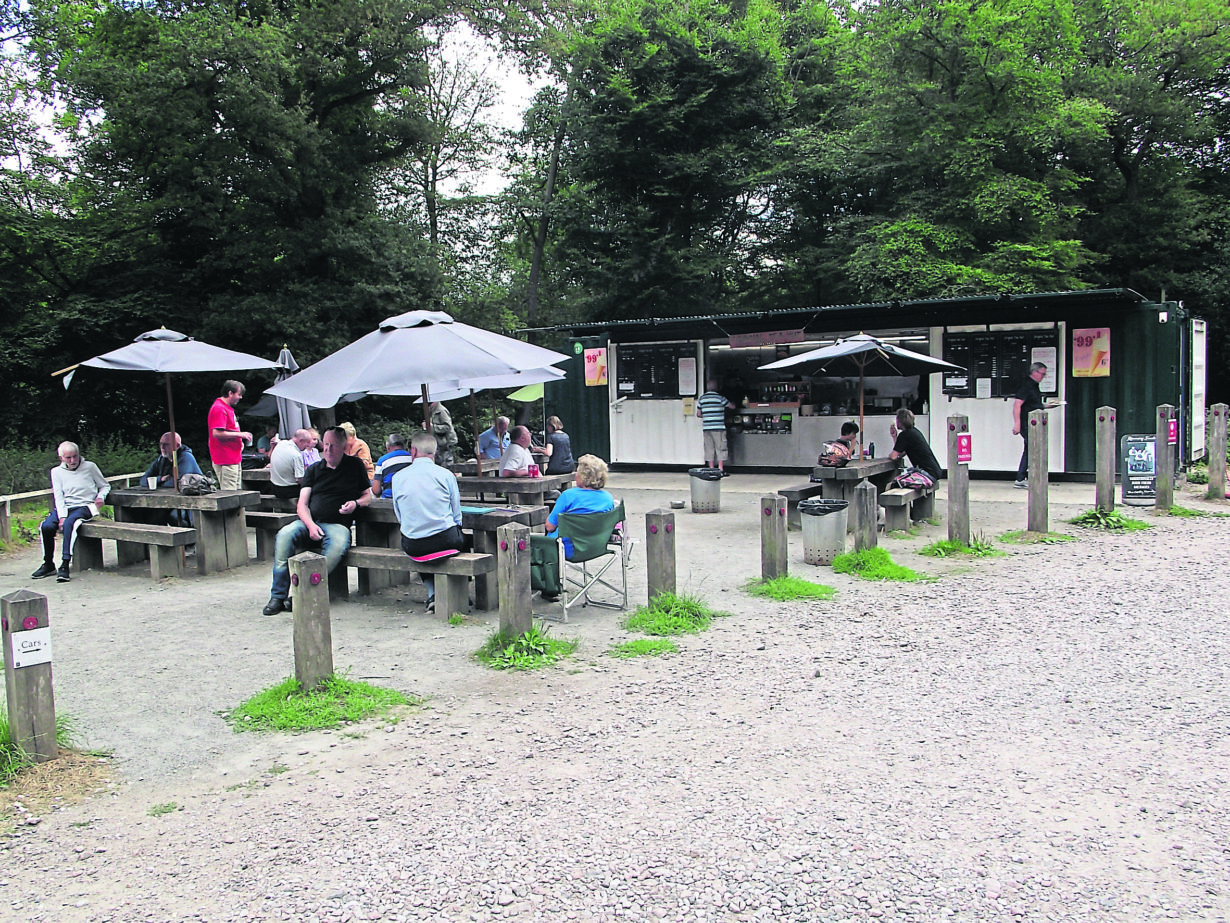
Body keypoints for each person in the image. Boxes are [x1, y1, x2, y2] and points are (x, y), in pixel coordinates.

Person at [262, 426, 372, 616]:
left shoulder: (355, 466)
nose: (328, 450)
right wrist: (311, 525)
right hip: (311, 521)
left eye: (334, 446)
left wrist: (355, 504)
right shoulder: (314, 469)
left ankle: (301, 593)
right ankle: (277, 596)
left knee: (337, 546)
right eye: (326, 445)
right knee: (284, 535)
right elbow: (302, 505)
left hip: (338, 525)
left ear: (344, 446)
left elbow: (367, 496)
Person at [392, 431, 467, 614]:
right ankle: (461, 593)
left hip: (413, 545)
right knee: (467, 540)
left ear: (414, 451)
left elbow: (399, 515)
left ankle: (433, 593)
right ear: (434, 452)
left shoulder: (398, 478)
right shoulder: (446, 475)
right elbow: (457, 515)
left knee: (422, 542)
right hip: (447, 541)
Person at [533, 454, 616, 601]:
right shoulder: (608, 498)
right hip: (596, 546)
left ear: (584, 476)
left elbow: (549, 526)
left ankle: (549, 588)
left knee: (535, 543)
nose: (575, 474)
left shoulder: (568, 496)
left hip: (567, 548)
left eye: (577, 471)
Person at [33, 442, 110, 582]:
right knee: (46, 526)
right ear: (61, 458)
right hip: (66, 506)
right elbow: (58, 496)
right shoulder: (56, 472)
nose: (73, 461)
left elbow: (104, 485)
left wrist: (100, 497)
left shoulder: (90, 467)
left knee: (70, 524)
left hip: (85, 506)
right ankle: (48, 563)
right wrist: (61, 516)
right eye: (68, 458)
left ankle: (65, 564)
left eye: (75, 456)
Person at [140, 432, 203, 526]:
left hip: (188, 502)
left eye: (166, 444)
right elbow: (143, 480)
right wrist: (160, 479)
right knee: (151, 515)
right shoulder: (161, 459)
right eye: (161, 444)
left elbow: (180, 483)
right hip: (167, 500)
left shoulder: (186, 457)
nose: (162, 447)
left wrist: (160, 483)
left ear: (177, 445)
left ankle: (189, 539)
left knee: (175, 517)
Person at [1012, 362, 1057, 488]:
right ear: (1035, 372)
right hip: (1027, 422)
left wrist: (1049, 405)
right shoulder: (1027, 385)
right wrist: (1017, 424)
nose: (1043, 377)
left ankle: (1022, 477)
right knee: (1032, 448)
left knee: (1030, 448)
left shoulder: (1034, 386)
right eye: (1042, 374)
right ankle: (1021, 478)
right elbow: (1017, 404)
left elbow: (1032, 404)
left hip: (1033, 421)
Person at [208, 380, 252, 491]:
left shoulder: (227, 408)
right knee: (230, 494)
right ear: (230, 393)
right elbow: (216, 433)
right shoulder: (219, 408)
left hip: (234, 457)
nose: (240, 397)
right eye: (239, 394)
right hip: (225, 459)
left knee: (237, 493)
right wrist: (240, 435)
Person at [889, 408, 942, 483]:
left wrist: (890, 455)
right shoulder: (914, 432)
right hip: (934, 473)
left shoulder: (905, 435)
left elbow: (893, 456)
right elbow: (901, 453)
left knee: (895, 482)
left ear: (900, 421)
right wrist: (894, 436)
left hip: (927, 475)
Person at [696, 379, 734, 474]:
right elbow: (732, 407)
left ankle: (711, 468)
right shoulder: (720, 398)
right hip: (719, 427)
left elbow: (698, 414)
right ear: (717, 387)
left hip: (707, 428)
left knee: (709, 448)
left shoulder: (702, 398)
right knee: (720, 447)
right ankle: (720, 468)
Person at [268, 428, 314, 499]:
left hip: (274, 488)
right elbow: (300, 480)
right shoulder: (296, 455)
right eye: (307, 443)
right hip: (287, 490)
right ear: (301, 441)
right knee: (314, 489)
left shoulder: (281, 444)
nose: (308, 446)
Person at [372, 433, 413, 498]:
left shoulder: (382, 461)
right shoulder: (412, 458)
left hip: (389, 499)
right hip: (409, 498)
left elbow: (376, 490)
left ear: (388, 447)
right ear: (403, 446)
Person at [428, 401, 459, 466]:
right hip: (437, 442)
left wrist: (432, 427)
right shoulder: (432, 410)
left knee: (446, 463)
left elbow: (447, 427)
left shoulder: (441, 411)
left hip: (446, 442)